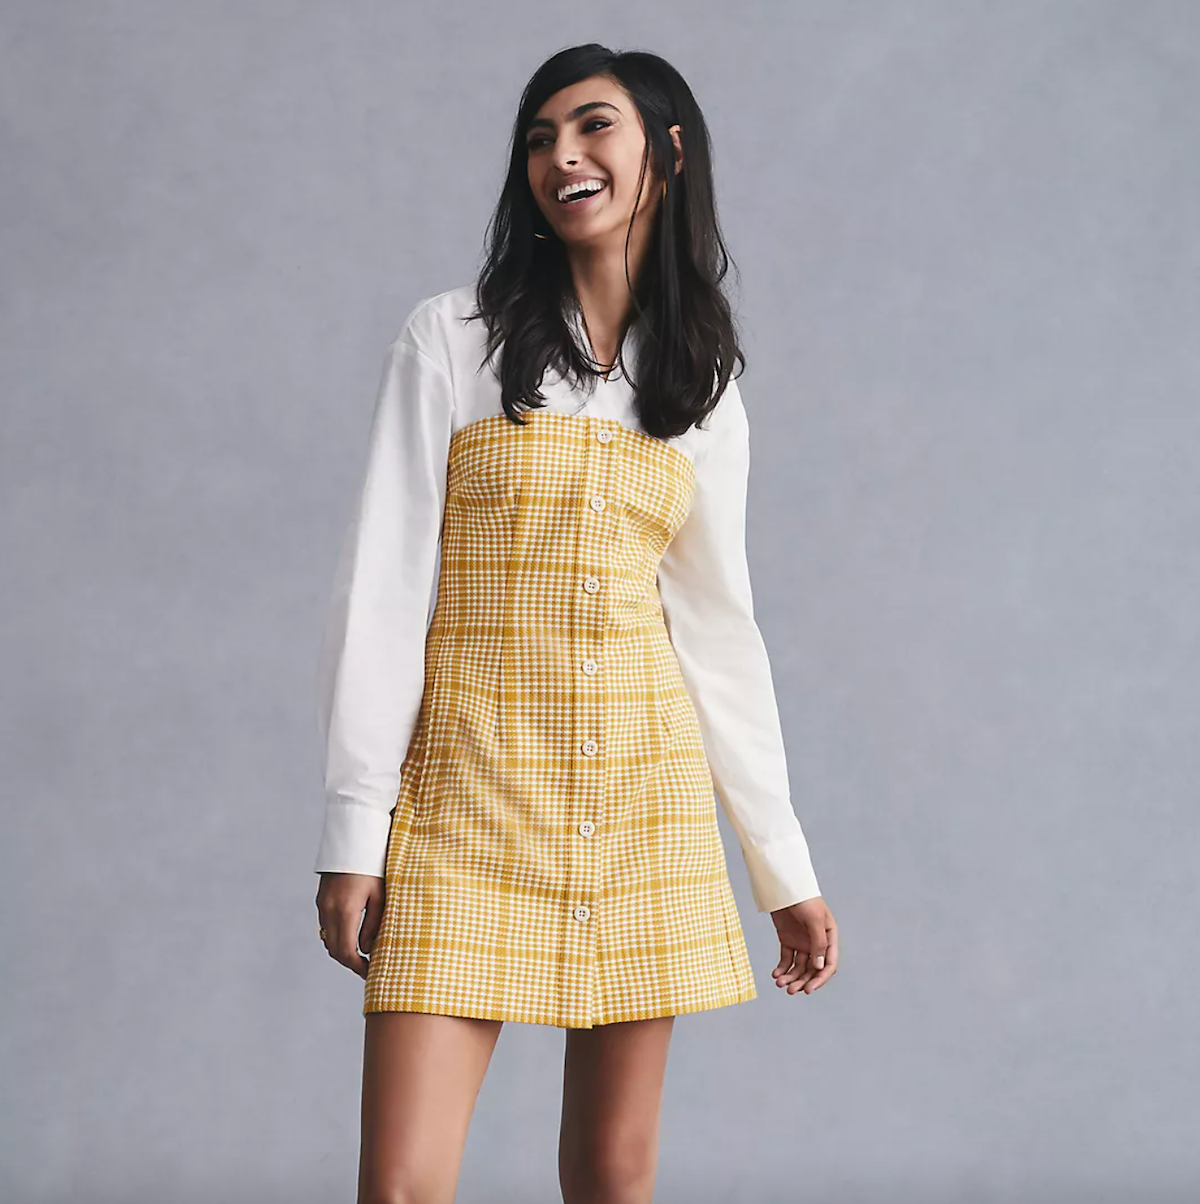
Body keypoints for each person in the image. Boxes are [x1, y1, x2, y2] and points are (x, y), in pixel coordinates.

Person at [314, 42, 839, 1204]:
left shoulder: (702, 385)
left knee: (611, 1175)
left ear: (669, 152)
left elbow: (719, 635)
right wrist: (355, 826)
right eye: (540, 138)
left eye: (594, 126)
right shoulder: (453, 338)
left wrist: (782, 865)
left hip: (641, 804)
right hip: (467, 801)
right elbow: (384, 588)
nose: (563, 156)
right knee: (400, 1185)